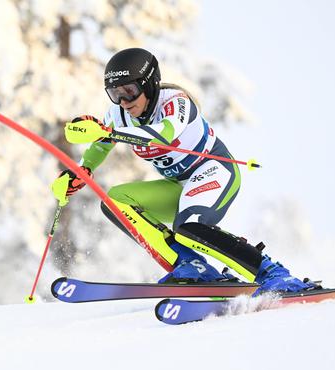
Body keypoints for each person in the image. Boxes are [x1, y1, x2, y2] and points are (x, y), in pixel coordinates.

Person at [52, 48, 315, 295]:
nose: (123, 102)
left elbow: (164, 135)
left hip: (215, 172)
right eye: (115, 94)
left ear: (149, 84)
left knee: (189, 227)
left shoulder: (176, 102)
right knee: (115, 201)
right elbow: (101, 145)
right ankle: (192, 266)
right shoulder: (119, 116)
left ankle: (272, 272)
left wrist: (109, 131)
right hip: (179, 185)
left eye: (129, 91)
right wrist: (81, 171)